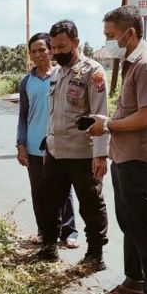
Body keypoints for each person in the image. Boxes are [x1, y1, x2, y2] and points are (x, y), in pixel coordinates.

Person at [87, 5, 147, 294]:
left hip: (139, 158)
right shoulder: (131, 62)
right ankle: (134, 282)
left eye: (110, 36)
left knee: (143, 227)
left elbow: (146, 117)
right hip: (124, 156)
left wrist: (107, 124)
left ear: (129, 33)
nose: (108, 41)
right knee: (129, 224)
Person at [35, 19, 109, 276]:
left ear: (76, 43)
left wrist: (100, 154)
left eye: (62, 46)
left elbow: (101, 114)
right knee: (49, 201)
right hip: (56, 150)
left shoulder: (93, 71)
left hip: (83, 152)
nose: (57, 52)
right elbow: (55, 113)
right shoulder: (57, 72)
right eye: (53, 47)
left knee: (90, 204)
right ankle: (48, 247)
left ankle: (95, 254)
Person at [16, 32, 79, 249]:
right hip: (34, 145)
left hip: (59, 144)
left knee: (64, 190)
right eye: (34, 51)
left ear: (51, 50)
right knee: (39, 191)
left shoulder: (62, 76)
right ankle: (44, 231)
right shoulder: (26, 82)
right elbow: (23, 116)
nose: (39, 54)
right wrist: (20, 144)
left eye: (42, 49)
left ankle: (69, 232)